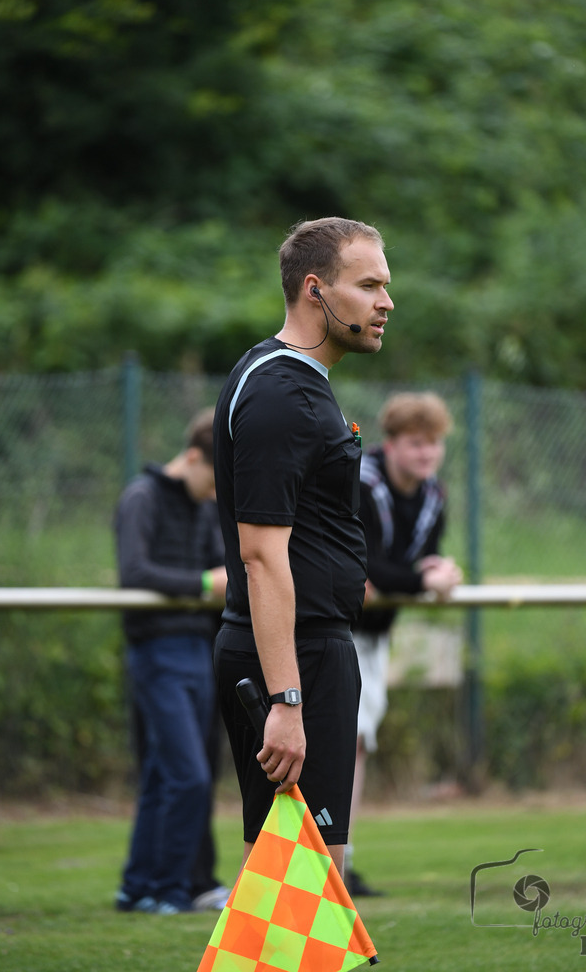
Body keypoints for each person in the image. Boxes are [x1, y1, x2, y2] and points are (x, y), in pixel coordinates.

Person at [212, 217, 394, 878]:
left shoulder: (296, 381)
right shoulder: (281, 394)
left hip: (310, 652)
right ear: (315, 290)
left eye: (384, 286)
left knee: (288, 889)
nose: (386, 302)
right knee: (303, 886)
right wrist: (286, 701)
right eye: (367, 286)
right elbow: (261, 558)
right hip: (296, 660)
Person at [346, 392, 463, 896]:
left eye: (433, 443)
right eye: (416, 443)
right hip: (333, 629)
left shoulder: (434, 495)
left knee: (357, 744)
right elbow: (361, 563)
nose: (426, 453)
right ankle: (324, 862)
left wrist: (435, 569)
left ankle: (341, 860)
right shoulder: (361, 482)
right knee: (339, 744)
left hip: (374, 634)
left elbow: (413, 562)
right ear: (390, 444)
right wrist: (421, 580)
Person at [114, 408, 229, 914]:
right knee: (188, 777)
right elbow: (135, 572)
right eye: (216, 478)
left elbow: (221, 566)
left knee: (166, 775)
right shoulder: (142, 497)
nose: (218, 492)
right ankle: (171, 889)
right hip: (157, 651)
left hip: (199, 649)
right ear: (193, 457)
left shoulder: (202, 506)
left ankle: (137, 886)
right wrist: (205, 583)